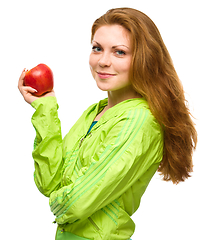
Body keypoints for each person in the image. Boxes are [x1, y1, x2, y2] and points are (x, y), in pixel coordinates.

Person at [18, 7, 197, 240]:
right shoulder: (95, 112)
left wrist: (58, 203)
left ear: (144, 58)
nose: (103, 61)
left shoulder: (139, 121)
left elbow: (76, 204)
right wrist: (45, 107)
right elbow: (48, 182)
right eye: (97, 48)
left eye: (119, 52)